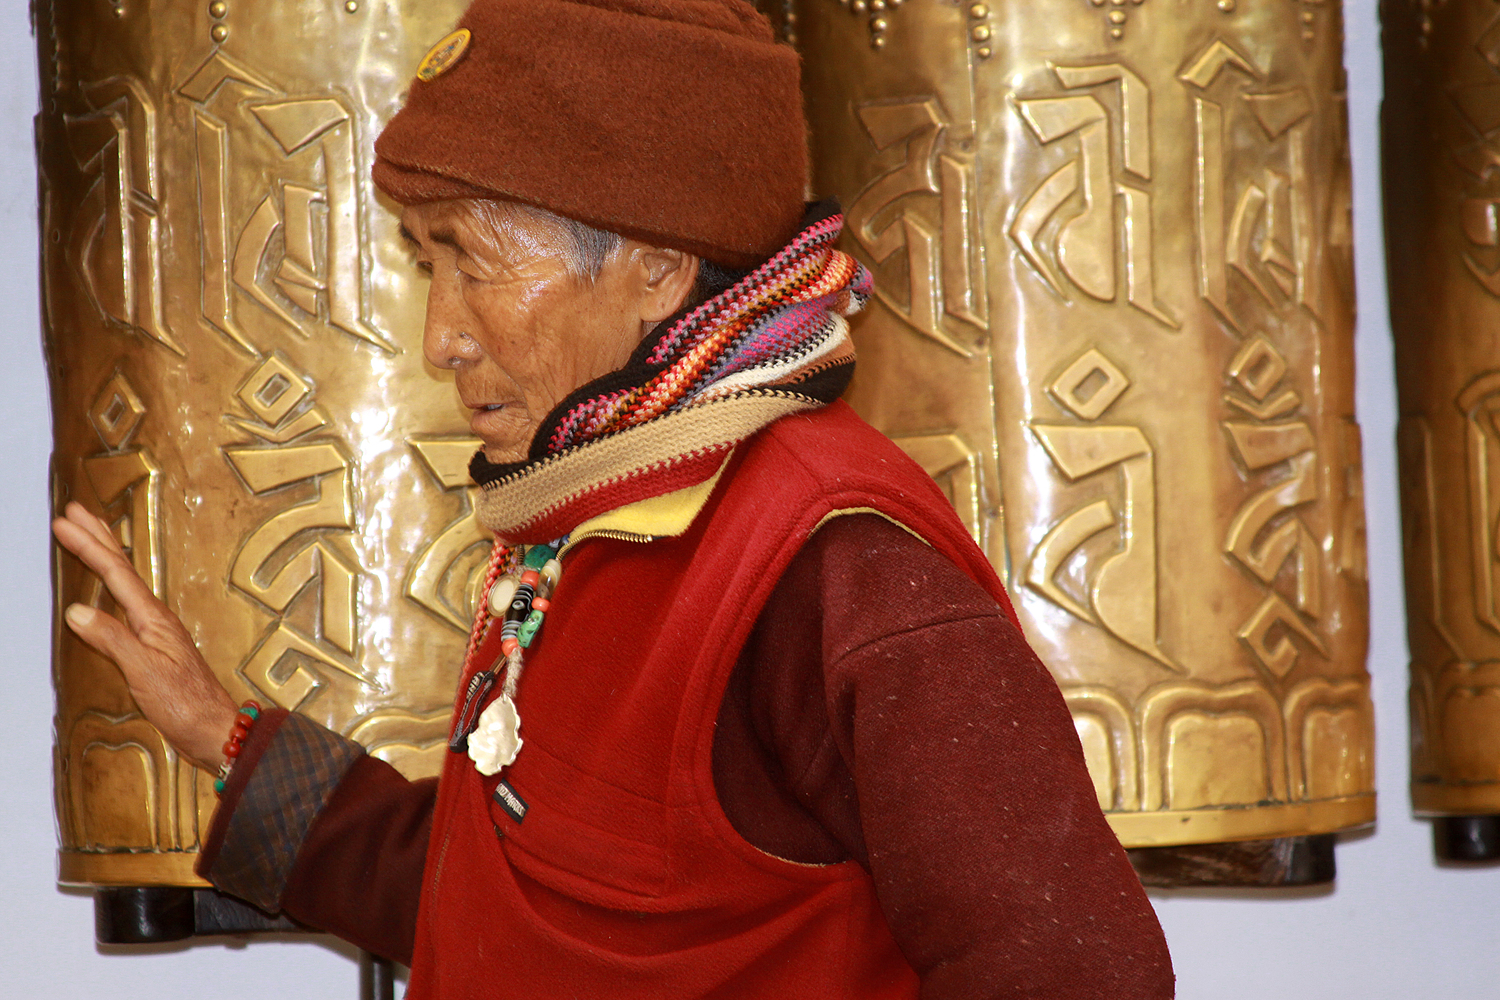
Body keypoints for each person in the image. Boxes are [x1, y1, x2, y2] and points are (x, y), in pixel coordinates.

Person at [51, 0, 1174, 996]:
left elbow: (1074, 969)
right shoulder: (591, 517)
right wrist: (225, 738)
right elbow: (511, 908)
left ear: (653, 264)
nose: (440, 335)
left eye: (475, 260)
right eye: (422, 258)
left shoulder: (836, 564)